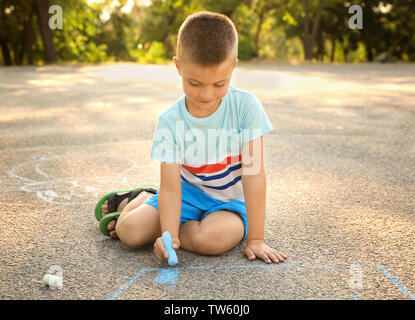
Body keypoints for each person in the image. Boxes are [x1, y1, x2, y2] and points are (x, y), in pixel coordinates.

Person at [98, 11, 287, 265]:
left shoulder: (246, 108)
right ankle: (139, 198)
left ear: (233, 66)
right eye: (194, 83)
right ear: (178, 67)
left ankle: (170, 225)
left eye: (219, 84)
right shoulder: (170, 121)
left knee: (212, 241)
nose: (207, 94)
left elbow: (253, 175)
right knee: (129, 232)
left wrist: (256, 239)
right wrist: (169, 234)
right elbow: (171, 188)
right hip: (185, 193)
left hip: (228, 203)